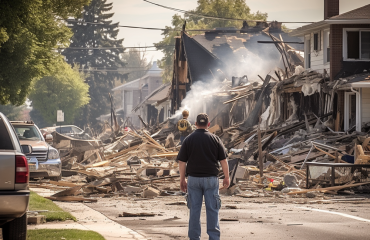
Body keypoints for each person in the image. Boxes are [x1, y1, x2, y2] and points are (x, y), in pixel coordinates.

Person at [177, 113, 230, 240]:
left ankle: (194, 238)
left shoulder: (188, 139)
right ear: (208, 124)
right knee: (212, 210)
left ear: (195, 124)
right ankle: (214, 237)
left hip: (193, 179)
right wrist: (227, 177)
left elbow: (182, 162)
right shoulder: (215, 139)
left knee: (194, 211)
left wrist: (182, 179)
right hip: (211, 179)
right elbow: (223, 160)